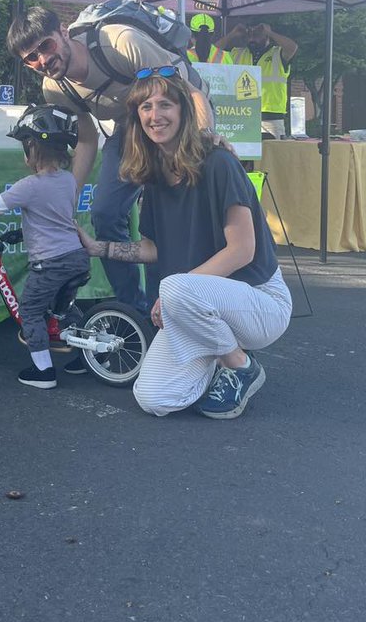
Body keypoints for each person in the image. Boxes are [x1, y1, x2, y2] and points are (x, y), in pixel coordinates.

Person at [77, 71, 292, 419]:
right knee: (153, 398)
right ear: (137, 118)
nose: (154, 115)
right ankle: (215, 354)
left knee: (174, 287)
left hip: (260, 301)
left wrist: (177, 294)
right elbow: (153, 249)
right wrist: (97, 248)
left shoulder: (219, 162)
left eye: (165, 104)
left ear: (185, 112)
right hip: (197, 307)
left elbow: (242, 251)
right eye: (145, 106)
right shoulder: (154, 177)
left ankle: (239, 365)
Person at [6, 4, 215, 314]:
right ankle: (136, 311)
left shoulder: (119, 42)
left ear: (63, 32)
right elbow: (88, 141)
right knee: (104, 213)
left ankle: (177, 306)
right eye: (31, 59)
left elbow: (189, 94)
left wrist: (203, 142)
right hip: (131, 126)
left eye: (45, 46)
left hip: (179, 117)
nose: (43, 60)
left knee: (168, 217)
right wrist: (67, 199)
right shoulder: (55, 88)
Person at [0, 104, 90, 391]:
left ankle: (43, 371)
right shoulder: (68, 180)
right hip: (77, 257)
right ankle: (84, 357)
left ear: (32, 149)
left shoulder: (29, 185)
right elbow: (54, 218)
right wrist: (24, 232)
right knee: (63, 309)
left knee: (31, 310)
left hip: (50, 263)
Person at [220, 20, 298, 138]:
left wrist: (270, 32)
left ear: (266, 36)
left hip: (271, 118)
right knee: (242, 155)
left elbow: (293, 47)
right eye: (249, 35)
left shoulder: (277, 54)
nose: (252, 39)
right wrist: (232, 34)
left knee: (271, 154)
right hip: (243, 115)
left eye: (256, 35)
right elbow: (212, 53)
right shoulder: (237, 54)